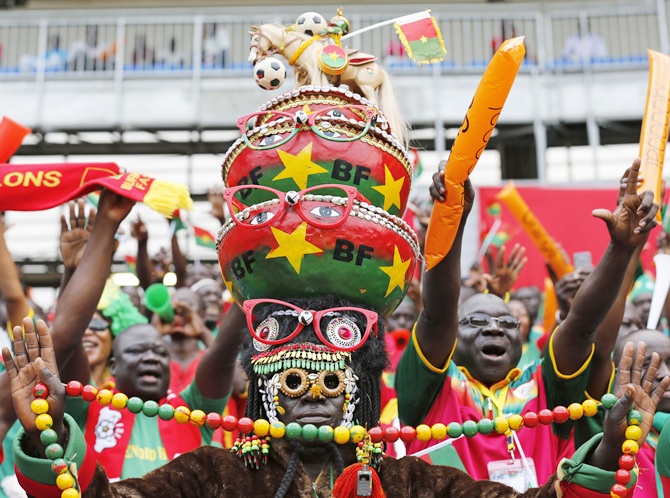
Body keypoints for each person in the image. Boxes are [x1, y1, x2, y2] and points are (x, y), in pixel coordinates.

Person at [5, 310, 669, 497]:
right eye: (293, 385)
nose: (313, 399)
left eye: (332, 385)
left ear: (361, 398)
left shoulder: (411, 482)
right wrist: (41, 432)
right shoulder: (214, 476)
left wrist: (611, 445)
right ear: (265, 395)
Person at [396, 159, 659, 487]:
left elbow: (580, 327)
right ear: (452, 337)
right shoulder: (431, 389)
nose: (494, 328)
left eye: (507, 322)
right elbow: (436, 316)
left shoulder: (545, 387)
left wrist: (620, 250)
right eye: (476, 321)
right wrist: (453, 219)